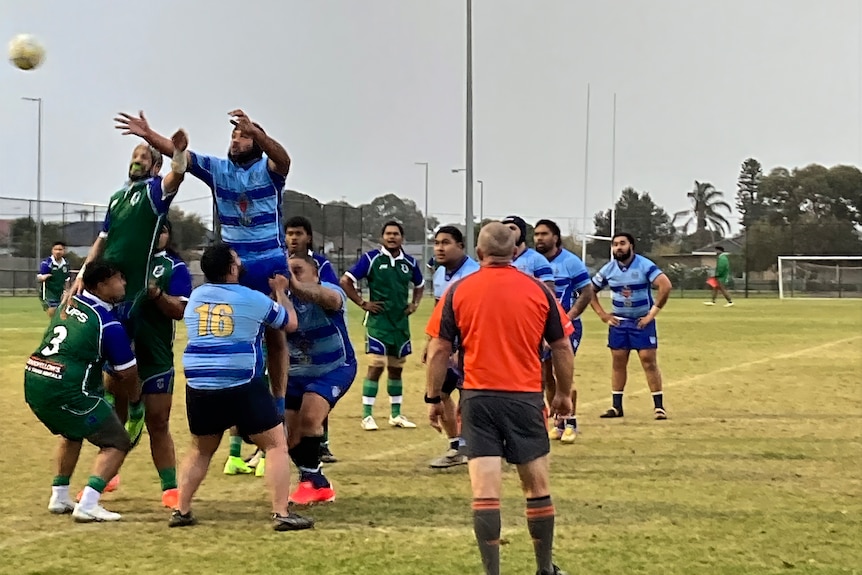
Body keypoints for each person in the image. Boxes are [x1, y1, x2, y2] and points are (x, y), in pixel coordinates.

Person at [115, 109, 292, 425]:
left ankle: (276, 403)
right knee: (244, 336)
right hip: (232, 265)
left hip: (268, 261)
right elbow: (179, 153)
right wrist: (147, 133)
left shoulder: (269, 168)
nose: (236, 139)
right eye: (234, 135)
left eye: (244, 135)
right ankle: (252, 410)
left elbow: (285, 159)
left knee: (275, 334)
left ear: (258, 141)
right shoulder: (219, 168)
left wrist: (259, 132)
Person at [425, 222, 574, 575]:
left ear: (479, 253)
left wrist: (433, 397)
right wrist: (564, 394)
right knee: (536, 486)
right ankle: (544, 569)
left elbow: (439, 350)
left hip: (478, 400)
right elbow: (562, 346)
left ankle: (492, 572)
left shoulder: (458, 290)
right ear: (516, 251)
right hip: (524, 398)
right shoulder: (538, 290)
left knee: (485, 490)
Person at [171, 243, 313, 531]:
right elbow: (290, 323)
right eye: (237, 260)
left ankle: (181, 510)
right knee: (275, 445)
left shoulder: (197, 296)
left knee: (200, 449)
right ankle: (281, 512)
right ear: (233, 268)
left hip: (198, 382)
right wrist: (281, 293)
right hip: (239, 380)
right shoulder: (252, 298)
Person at [70, 128, 189, 446]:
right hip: (104, 287)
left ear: (153, 168)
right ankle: (113, 404)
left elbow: (177, 175)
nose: (136, 159)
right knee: (105, 355)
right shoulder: (117, 197)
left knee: (125, 355)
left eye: (143, 156)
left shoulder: (153, 192)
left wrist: (178, 152)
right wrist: (83, 273)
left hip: (131, 288)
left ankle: (135, 404)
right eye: (134, 155)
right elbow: (102, 240)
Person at [24, 261, 138, 522]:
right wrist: (135, 401)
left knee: (71, 431)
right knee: (118, 441)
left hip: (34, 378)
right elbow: (127, 373)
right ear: (101, 286)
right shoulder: (108, 324)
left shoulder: (69, 302)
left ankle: (59, 495)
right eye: (118, 279)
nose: (123, 284)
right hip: (65, 388)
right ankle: (88, 503)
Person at [284, 253, 357, 504]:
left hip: (334, 368)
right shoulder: (279, 301)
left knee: (310, 417)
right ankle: (317, 482)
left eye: (297, 270)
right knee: (288, 436)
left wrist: (295, 285)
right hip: (294, 374)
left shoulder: (330, 291)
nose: (290, 275)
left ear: (316, 275)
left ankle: (310, 482)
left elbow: (328, 299)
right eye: (287, 270)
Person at [341, 220, 425, 431]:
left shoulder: (410, 263)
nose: (391, 237)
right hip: (378, 322)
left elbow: (420, 284)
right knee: (376, 365)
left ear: (401, 238)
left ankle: (395, 415)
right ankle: (367, 416)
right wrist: (362, 303)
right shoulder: (371, 259)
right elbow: (346, 280)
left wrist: (414, 304)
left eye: (395, 234)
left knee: (396, 369)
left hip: (400, 324)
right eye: (388, 234)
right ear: (382, 237)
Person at [133, 220, 192, 508]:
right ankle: (103, 480)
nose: (158, 233)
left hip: (156, 356)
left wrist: (156, 294)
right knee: (114, 423)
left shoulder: (175, 267)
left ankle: (170, 488)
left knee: (158, 422)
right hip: (119, 354)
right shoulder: (126, 259)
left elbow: (180, 311)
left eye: (164, 229)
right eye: (153, 227)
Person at [589, 232, 673, 420]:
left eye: (622, 243)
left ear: (631, 246)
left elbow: (665, 285)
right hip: (619, 323)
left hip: (641, 322)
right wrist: (603, 315)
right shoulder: (609, 269)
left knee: (648, 360)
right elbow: (589, 290)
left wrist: (652, 314)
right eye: (615, 244)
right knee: (618, 362)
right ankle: (616, 407)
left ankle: (659, 407)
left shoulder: (644, 265)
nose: (618, 247)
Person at [284, 215, 339, 464]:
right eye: (290, 233)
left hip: (329, 356)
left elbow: (331, 297)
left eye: (298, 233)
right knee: (289, 429)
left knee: (313, 408)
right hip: (295, 360)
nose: (293, 238)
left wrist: (296, 286)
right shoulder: (279, 263)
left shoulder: (321, 265)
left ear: (309, 237)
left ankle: (320, 448)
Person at [533, 219, 593, 444]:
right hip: (540, 327)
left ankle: (571, 421)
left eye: (544, 234)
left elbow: (586, 292)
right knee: (546, 376)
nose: (539, 238)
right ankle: (557, 422)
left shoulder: (570, 262)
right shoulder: (533, 261)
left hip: (566, 326)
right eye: (537, 234)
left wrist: (568, 318)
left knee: (562, 374)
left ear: (555, 237)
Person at [426, 226, 479, 469]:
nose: (439, 247)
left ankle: (474, 445)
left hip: (471, 347)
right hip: (449, 346)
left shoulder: (473, 274)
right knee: (441, 392)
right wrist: (431, 343)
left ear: (460, 246)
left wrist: (463, 346)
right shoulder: (439, 274)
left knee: (471, 395)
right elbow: (440, 314)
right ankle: (456, 444)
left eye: (445, 242)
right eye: (437, 242)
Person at [500, 215, 555, 291]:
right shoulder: (497, 259)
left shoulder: (537, 260)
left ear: (522, 232)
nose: (508, 232)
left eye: (512, 228)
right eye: (504, 229)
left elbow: (549, 293)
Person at [37, 241, 70, 318]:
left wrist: (67, 291)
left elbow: (67, 279)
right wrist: (43, 277)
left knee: (63, 316)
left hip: (61, 294)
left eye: (60, 249)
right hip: (49, 294)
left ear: (64, 251)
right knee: (54, 316)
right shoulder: (47, 263)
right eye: (56, 249)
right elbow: (39, 278)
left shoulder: (66, 264)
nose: (58, 251)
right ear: (52, 250)